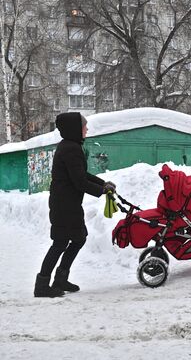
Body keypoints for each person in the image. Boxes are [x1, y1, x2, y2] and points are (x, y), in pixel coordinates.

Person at [34, 112, 116, 298]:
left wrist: (103, 183)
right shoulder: (71, 149)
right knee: (61, 242)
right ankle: (42, 284)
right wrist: (101, 190)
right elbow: (79, 181)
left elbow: (81, 174)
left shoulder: (70, 146)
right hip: (65, 206)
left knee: (78, 239)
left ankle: (60, 279)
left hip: (67, 204)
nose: (86, 129)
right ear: (75, 129)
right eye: (84, 126)